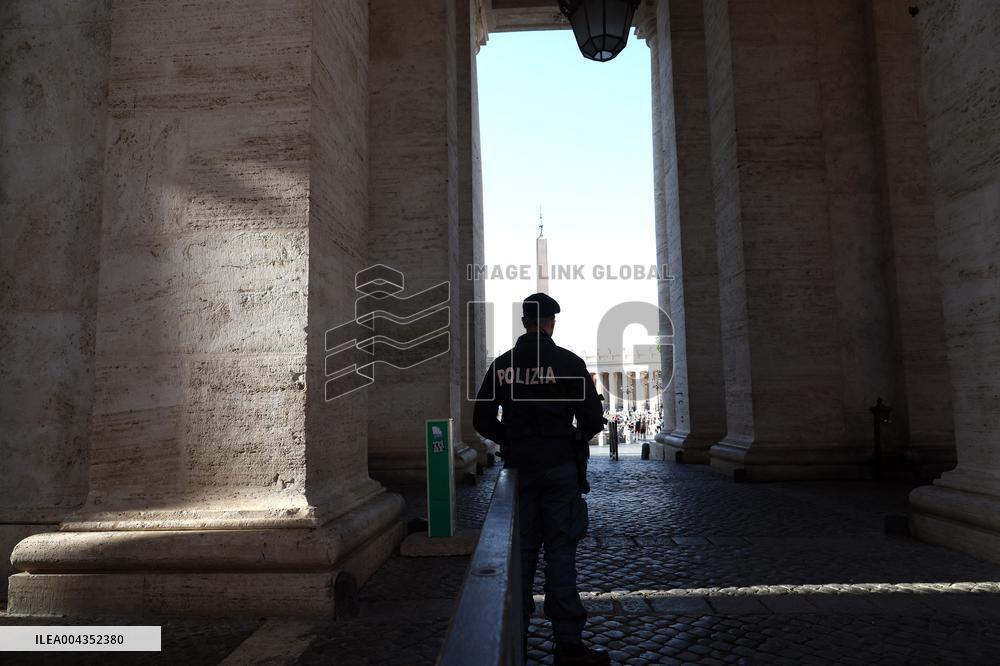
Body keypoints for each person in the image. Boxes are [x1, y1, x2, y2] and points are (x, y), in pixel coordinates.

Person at [473, 293, 609, 666]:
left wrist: (512, 438)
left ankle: (513, 643)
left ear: (523, 322)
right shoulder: (569, 363)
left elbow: (481, 420)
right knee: (561, 552)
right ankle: (568, 643)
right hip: (561, 466)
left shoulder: (502, 365)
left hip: (520, 468)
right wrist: (568, 435)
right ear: (551, 322)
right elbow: (593, 420)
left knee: (522, 555)